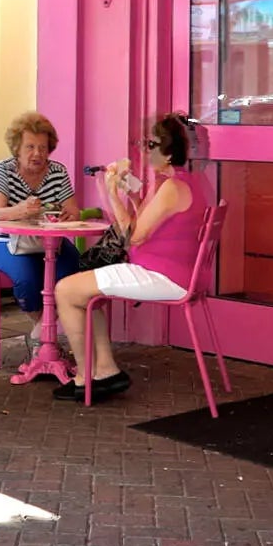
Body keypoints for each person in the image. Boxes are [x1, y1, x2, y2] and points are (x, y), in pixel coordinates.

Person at [53, 114, 205, 401]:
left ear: (169, 153)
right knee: (84, 293)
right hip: (168, 271)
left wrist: (112, 194)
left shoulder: (171, 188)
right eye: (143, 143)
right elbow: (141, 226)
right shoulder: (177, 182)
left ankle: (84, 378)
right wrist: (133, 198)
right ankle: (105, 370)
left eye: (151, 145)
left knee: (65, 290)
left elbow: (132, 237)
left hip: (163, 275)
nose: (144, 151)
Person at [0, 110, 78, 313]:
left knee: (71, 269)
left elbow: (74, 212)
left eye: (43, 147)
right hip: (3, 242)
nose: (37, 154)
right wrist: (20, 210)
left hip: (48, 243)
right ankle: (41, 324)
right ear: (17, 148)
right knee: (28, 277)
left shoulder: (58, 172)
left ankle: (44, 327)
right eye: (30, 147)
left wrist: (68, 216)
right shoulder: (4, 170)